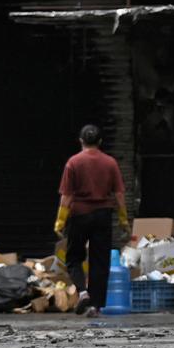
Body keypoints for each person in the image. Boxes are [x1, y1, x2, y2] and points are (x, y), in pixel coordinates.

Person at [54, 124, 128, 317]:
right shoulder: (110, 163)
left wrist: (60, 221)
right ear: (100, 142)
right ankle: (95, 306)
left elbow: (67, 196)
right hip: (103, 216)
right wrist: (123, 220)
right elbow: (119, 194)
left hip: (79, 215)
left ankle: (83, 293)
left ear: (81, 141)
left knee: (73, 258)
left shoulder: (73, 163)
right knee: (100, 261)